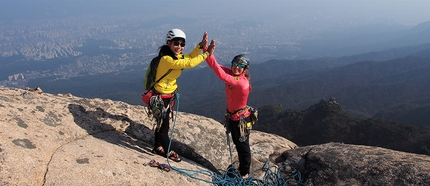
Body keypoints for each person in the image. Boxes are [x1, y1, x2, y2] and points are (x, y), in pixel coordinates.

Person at [150, 29, 213, 162]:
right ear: (169, 43)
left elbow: (189, 57)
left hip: (166, 96)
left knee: (160, 123)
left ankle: (157, 146)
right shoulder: (167, 59)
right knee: (164, 127)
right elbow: (189, 63)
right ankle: (167, 151)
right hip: (161, 97)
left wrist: (200, 47)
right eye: (176, 43)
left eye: (182, 44)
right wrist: (206, 54)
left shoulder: (173, 56)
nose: (180, 47)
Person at [205, 39, 252, 178]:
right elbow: (216, 66)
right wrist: (207, 52)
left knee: (243, 147)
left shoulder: (242, 82)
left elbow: (221, 75)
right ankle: (242, 170)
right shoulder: (233, 74)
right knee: (238, 145)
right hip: (233, 117)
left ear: (244, 69)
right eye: (235, 64)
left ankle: (244, 173)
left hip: (241, 120)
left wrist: (209, 53)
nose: (236, 67)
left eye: (240, 66)